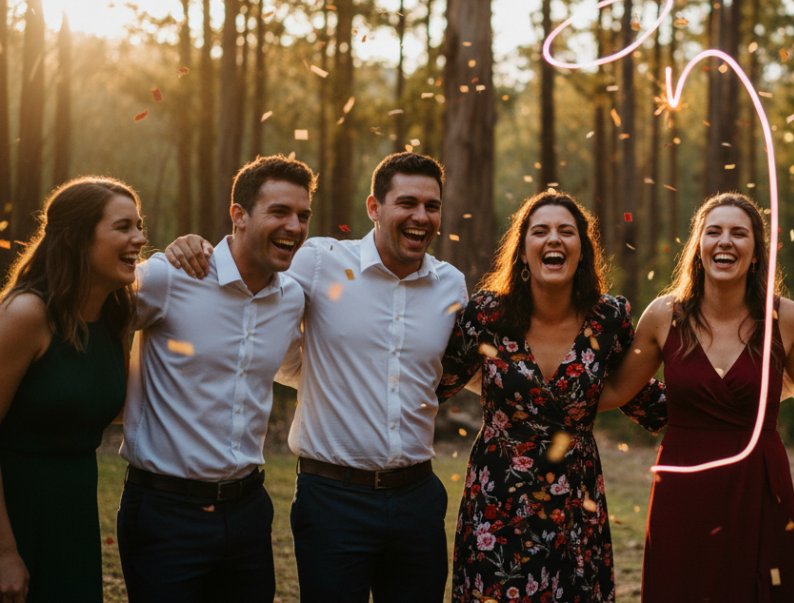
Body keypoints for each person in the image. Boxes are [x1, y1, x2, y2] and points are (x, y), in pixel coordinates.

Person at [166, 151, 467, 602]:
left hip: (417, 499)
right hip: (332, 499)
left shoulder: (451, 285)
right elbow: (248, 287)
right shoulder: (318, 261)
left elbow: (455, 368)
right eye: (407, 203)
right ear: (374, 207)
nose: (421, 216)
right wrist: (190, 246)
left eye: (432, 206)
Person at [438, 190, 665, 603]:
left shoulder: (608, 318)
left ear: (582, 249)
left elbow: (642, 399)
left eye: (567, 231)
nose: (554, 239)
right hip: (498, 499)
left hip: (575, 502)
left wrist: (726, 396)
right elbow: (435, 382)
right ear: (523, 251)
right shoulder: (486, 314)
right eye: (540, 231)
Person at [602, 191, 794, 602]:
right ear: (698, 247)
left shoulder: (787, 319)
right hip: (683, 488)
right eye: (714, 231)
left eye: (739, 233)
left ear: (756, 252)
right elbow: (614, 391)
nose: (725, 241)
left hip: (760, 485)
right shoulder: (662, 316)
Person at [118, 156, 315, 602]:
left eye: (303, 215)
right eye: (279, 212)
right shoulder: (171, 277)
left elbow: (293, 366)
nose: (295, 226)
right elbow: (94, 317)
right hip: (165, 511)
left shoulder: (291, 300)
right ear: (238, 216)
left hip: (248, 511)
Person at [0, 177, 144, 602]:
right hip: (14, 515)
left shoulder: (116, 316)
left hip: (74, 517)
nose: (139, 238)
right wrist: (5, 553)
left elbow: (110, 408)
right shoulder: (27, 314)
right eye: (123, 227)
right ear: (78, 237)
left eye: (139, 226)